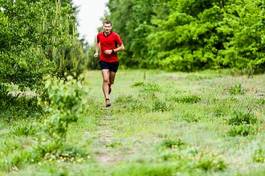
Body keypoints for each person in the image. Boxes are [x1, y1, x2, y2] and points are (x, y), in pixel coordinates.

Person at [94, 20, 125, 107]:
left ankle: (109, 86)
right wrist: (97, 52)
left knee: (111, 81)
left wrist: (112, 51)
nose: (107, 28)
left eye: (108, 27)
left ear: (111, 27)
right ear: (103, 27)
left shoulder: (115, 36)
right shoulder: (99, 35)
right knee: (105, 79)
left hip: (114, 61)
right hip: (103, 60)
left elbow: (122, 47)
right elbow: (97, 43)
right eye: (105, 26)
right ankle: (107, 99)